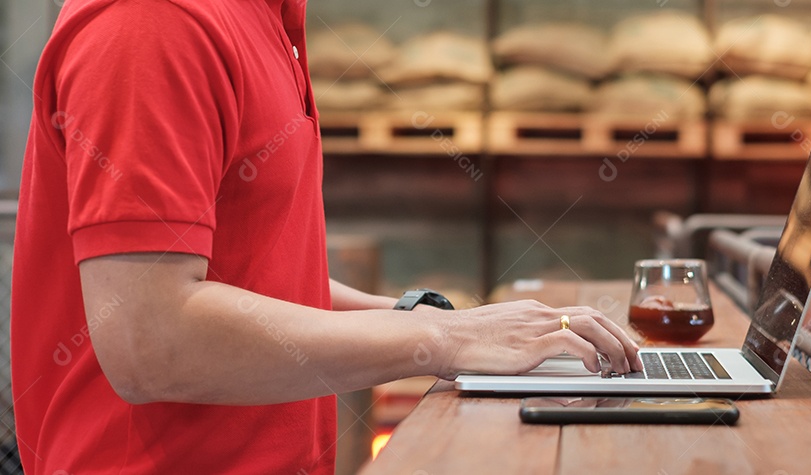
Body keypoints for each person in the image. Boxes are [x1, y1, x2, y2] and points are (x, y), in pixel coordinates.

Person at [10, 0, 642, 473]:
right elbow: (153, 338)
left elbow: (252, 277)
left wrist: (457, 326)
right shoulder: (154, 24)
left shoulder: (264, 15)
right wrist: (441, 341)